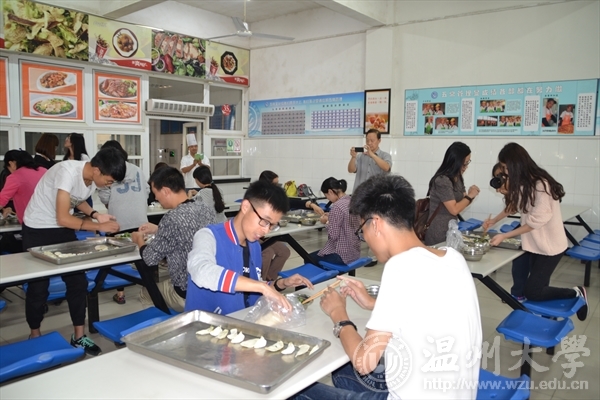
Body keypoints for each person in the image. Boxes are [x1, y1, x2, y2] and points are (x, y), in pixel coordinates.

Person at [293, 174, 482, 400]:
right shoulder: (453, 258)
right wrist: (374, 303)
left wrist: (338, 314)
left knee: (297, 392)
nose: (365, 239)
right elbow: (430, 307)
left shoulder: (400, 266)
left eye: (362, 231)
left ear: (375, 224)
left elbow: (364, 362)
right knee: (342, 372)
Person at [22, 147, 126, 356]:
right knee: (38, 287)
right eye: (109, 181)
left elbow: (76, 199)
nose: (109, 185)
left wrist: (96, 214)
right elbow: (63, 217)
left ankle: (79, 336)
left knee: (77, 282)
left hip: (62, 229)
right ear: (97, 170)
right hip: (38, 228)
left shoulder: (91, 177)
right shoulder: (67, 172)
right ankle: (35, 335)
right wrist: (98, 226)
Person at [483, 143, 588, 320]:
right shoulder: (525, 183)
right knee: (538, 288)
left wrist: (505, 236)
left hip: (550, 247)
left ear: (516, 164)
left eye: (505, 168)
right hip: (535, 244)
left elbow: (534, 223)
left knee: (533, 291)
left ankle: (576, 292)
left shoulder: (541, 186)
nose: (504, 172)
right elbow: (513, 206)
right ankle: (546, 318)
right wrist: (494, 220)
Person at [185, 180, 314, 315]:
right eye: (265, 221)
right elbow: (201, 271)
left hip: (240, 320)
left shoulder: (254, 246)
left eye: (272, 225)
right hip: (207, 323)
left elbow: (252, 287)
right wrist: (261, 287)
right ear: (246, 206)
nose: (266, 231)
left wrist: (281, 284)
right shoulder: (208, 235)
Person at [131, 166, 217, 312]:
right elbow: (189, 232)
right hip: (209, 288)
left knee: (146, 293)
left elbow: (150, 258)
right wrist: (158, 229)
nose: (156, 198)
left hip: (186, 293)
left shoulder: (171, 217)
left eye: (155, 193)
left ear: (165, 191)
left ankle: (167, 324)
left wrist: (139, 239)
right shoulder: (205, 209)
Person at [97, 140, 150, 305]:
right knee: (142, 254)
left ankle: (120, 294)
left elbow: (105, 196)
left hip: (118, 222)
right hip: (140, 220)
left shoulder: (108, 171)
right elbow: (147, 191)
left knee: (118, 258)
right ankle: (148, 289)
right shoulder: (137, 169)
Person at [424, 142, 480, 246]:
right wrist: (470, 196)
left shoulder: (457, 177)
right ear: (455, 162)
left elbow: (462, 202)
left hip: (451, 229)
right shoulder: (442, 180)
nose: (466, 167)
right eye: (464, 164)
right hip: (438, 232)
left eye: (468, 163)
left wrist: (470, 195)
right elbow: (454, 209)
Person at [0, 150, 46, 253]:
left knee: (32, 257)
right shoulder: (44, 171)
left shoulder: (15, 176)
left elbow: (1, 200)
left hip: (32, 225)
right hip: (53, 223)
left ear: (12, 163)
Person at [309, 177, 361, 266]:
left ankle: (326, 274)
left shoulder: (337, 206)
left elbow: (333, 236)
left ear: (330, 192)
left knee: (309, 259)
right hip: (354, 253)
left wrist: (327, 221)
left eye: (327, 196)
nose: (328, 199)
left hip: (341, 255)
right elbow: (346, 218)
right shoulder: (352, 201)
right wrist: (331, 216)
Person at [258, 170, 324, 215]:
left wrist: (311, 205)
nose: (277, 187)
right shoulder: (258, 199)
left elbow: (291, 202)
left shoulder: (277, 196)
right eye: (275, 184)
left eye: (277, 184)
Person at [348, 129, 392, 193]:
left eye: (372, 140)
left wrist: (372, 155)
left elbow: (386, 168)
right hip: (360, 193)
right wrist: (353, 157)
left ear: (379, 141)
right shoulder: (361, 156)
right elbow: (351, 170)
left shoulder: (385, 155)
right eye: (367, 140)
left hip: (376, 193)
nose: (369, 143)